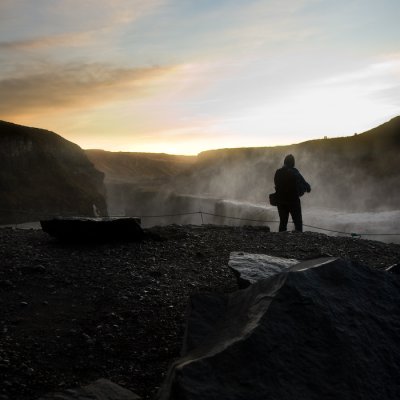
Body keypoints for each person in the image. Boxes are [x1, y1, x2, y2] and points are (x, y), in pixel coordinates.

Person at [274, 154, 311, 232]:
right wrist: (306, 188)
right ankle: (298, 239)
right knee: (298, 223)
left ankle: (280, 239)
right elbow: (306, 185)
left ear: (284, 162)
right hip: (293, 201)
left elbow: (276, 185)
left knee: (283, 223)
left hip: (280, 200)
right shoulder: (294, 172)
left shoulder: (278, 172)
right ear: (293, 163)